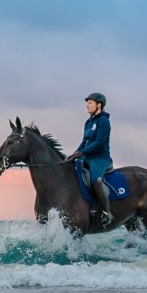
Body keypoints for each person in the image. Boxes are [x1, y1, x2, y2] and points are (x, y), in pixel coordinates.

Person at [65, 92, 113, 226]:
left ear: (99, 105)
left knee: (95, 180)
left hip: (100, 157)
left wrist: (82, 152)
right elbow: (84, 141)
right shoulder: (88, 122)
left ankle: (106, 212)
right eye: (87, 103)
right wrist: (75, 153)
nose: (87, 105)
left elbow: (99, 142)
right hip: (86, 156)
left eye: (90, 103)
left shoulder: (104, 121)